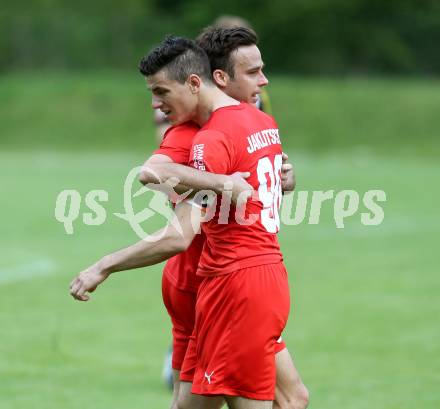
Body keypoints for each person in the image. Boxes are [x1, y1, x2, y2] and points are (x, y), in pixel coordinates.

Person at [70, 31, 308, 409]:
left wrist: (281, 180)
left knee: (283, 399)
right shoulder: (197, 134)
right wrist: (222, 182)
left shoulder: (244, 122)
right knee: (273, 400)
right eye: (254, 73)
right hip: (205, 283)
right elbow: (155, 176)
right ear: (219, 78)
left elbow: (254, 181)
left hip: (234, 282)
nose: (263, 82)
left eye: (161, 93)